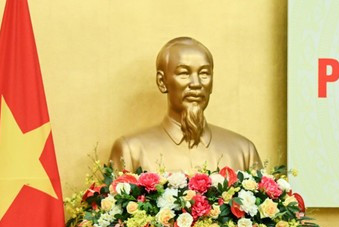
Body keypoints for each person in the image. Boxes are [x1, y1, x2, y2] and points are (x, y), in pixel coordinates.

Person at [110, 36, 261, 173]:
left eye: (204, 73)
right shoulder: (131, 151)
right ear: (162, 82)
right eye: (184, 73)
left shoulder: (243, 151)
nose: (196, 84)